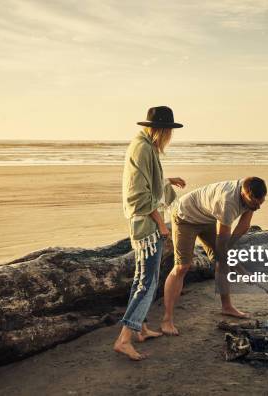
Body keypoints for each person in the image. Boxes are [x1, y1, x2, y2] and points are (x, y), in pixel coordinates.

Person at [113, 106, 187, 360]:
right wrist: (162, 223)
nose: (169, 137)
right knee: (147, 282)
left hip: (147, 223)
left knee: (143, 278)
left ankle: (141, 329)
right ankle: (124, 338)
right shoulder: (143, 148)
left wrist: (167, 181)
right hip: (146, 226)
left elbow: (150, 185)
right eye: (168, 131)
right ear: (161, 130)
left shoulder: (144, 146)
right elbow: (140, 195)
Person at [161, 177, 267, 336]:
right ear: (244, 194)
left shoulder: (252, 192)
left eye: (261, 202)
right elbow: (222, 245)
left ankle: (227, 307)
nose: (258, 206)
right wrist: (241, 270)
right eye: (255, 203)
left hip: (208, 217)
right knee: (182, 266)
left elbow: (243, 226)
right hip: (185, 217)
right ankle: (167, 320)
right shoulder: (227, 203)